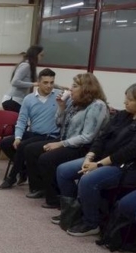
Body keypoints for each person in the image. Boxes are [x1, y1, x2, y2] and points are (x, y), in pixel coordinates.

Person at [55, 83, 136, 236]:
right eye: (126, 98)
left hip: (123, 166)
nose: (125, 102)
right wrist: (89, 157)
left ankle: (91, 223)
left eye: (130, 100)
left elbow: (127, 153)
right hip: (99, 158)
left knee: (88, 180)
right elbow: (101, 138)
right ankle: (72, 211)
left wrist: (97, 165)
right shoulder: (122, 116)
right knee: (63, 171)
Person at [23, 73, 109, 208]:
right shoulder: (75, 103)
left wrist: (60, 144)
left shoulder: (97, 105)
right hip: (67, 140)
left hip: (84, 147)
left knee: (46, 159)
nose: (70, 89)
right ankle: (41, 188)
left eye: (74, 86)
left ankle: (55, 198)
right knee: (31, 150)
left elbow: (87, 137)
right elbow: (59, 124)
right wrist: (61, 107)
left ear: (86, 88)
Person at [0, 68, 61, 189]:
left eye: (52, 82)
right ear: (38, 82)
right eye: (45, 82)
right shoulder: (29, 98)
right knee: (6, 143)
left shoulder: (59, 95)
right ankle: (23, 169)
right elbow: (22, 120)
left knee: (23, 146)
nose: (49, 86)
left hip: (50, 135)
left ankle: (11, 177)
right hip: (34, 133)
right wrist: (18, 137)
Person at [1, 45, 44, 113]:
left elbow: (42, 82)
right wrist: (33, 84)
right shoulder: (26, 65)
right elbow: (14, 82)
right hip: (12, 100)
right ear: (35, 55)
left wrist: (60, 87)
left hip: (18, 100)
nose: (42, 58)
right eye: (41, 55)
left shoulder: (31, 67)